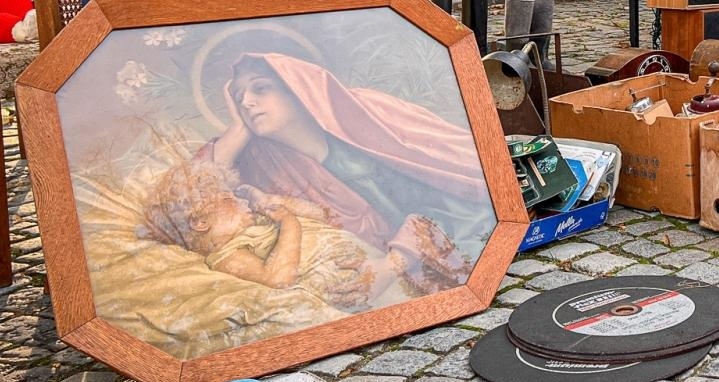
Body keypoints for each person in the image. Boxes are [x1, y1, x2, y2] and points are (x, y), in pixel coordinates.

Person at [202, 53, 495, 290]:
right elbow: (189, 201)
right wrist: (238, 131)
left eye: (261, 88)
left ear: (298, 89)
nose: (246, 102)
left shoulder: (363, 116)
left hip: (442, 254)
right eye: (238, 97)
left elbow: (465, 201)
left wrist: (393, 263)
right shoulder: (259, 160)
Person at [141, 159, 399, 309]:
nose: (242, 202)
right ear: (199, 222)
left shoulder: (258, 226)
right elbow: (278, 279)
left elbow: (324, 215)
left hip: (374, 267)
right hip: (351, 288)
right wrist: (289, 223)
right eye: (228, 198)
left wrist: (269, 200)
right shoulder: (227, 256)